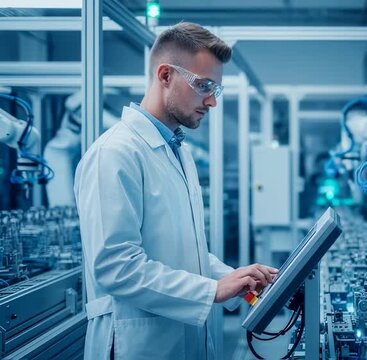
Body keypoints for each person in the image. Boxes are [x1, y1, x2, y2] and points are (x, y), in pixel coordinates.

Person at [74, 22, 278, 360]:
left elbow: (186, 254)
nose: (212, 100)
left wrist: (234, 278)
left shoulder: (178, 152)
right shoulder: (115, 153)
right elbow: (116, 268)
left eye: (216, 89)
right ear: (165, 75)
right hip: (135, 344)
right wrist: (211, 290)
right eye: (203, 86)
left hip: (179, 339)